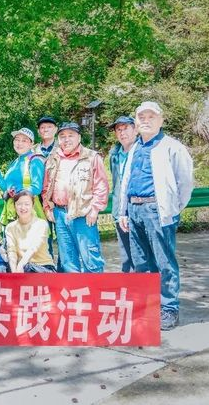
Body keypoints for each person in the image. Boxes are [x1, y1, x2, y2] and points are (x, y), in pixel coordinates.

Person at [118, 101, 194, 331]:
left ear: (161, 120)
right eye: (142, 117)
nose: (146, 121)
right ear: (136, 121)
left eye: (151, 117)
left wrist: (172, 209)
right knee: (141, 262)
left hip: (157, 211)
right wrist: (123, 211)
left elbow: (185, 183)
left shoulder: (172, 147)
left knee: (164, 262)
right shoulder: (134, 148)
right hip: (134, 209)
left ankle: (169, 308)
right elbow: (126, 181)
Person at [42, 122, 109, 273]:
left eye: (70, 135)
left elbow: (101, 185)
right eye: (62, 136)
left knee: (90, 258)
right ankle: (74, 288)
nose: (66, 139)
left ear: (79, 137)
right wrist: (47, 208)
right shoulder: (53, 158)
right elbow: (46, 187)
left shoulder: (91, 157)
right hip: (59, 214)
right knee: (68, 260)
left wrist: (94, 210)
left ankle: (94, 287)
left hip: (84, 214)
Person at [0, 127, 46, 227]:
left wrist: (16, 193)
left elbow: (36, 188)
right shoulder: (14, 163)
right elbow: (5, 187)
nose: (19, 143)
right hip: (11, 211)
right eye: (17, 139)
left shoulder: (34, 160)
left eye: (24, 140)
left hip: (28, 212)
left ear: (31, 144)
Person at [108, 116, 138, 272]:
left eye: (125, 128)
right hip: (120, 211)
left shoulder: (142, 151)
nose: (122, 132)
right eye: (118, 129)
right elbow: (116, 184)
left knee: (143, 255)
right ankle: (129, 284)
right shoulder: (114, 154)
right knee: (126, 255)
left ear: (135, 129)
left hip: (139, 210)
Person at [6, 191, 56, 273]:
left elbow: (33, 248)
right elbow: (11, 251)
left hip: (43, 267)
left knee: (28, 268)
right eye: (19, 204)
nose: (23, 207)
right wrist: (14, 272)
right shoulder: (10, 227)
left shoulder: (41, 224)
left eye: (27, 204)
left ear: (32, 206)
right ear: (14, 206)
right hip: (21, 268)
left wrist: (21, 265)